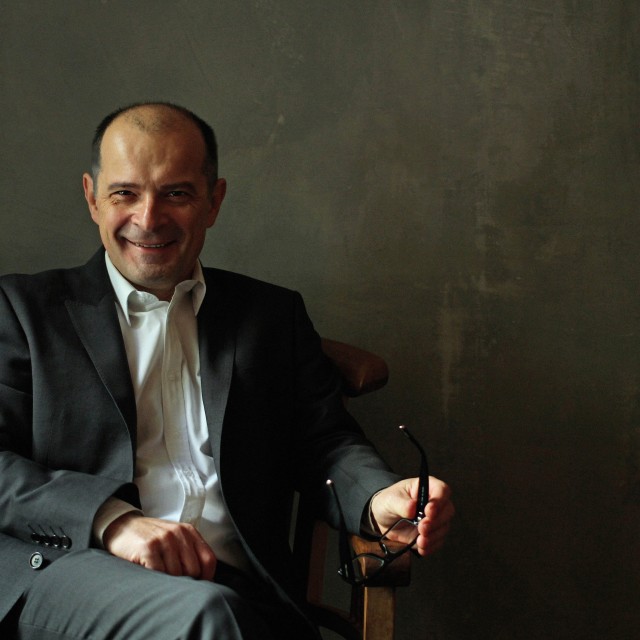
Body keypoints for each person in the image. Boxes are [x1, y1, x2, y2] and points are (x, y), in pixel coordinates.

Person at [0, 102, 454, 639]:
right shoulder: (21, 311)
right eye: (125, 193)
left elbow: (324, 442)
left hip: (242, 593)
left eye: (176, 194)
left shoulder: (271, 316)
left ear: (213, 201)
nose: (149, 218)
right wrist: (112, 521)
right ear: (91, 197)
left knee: (219, 614)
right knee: (206, 616)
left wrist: (379, 499)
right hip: (76, 574)